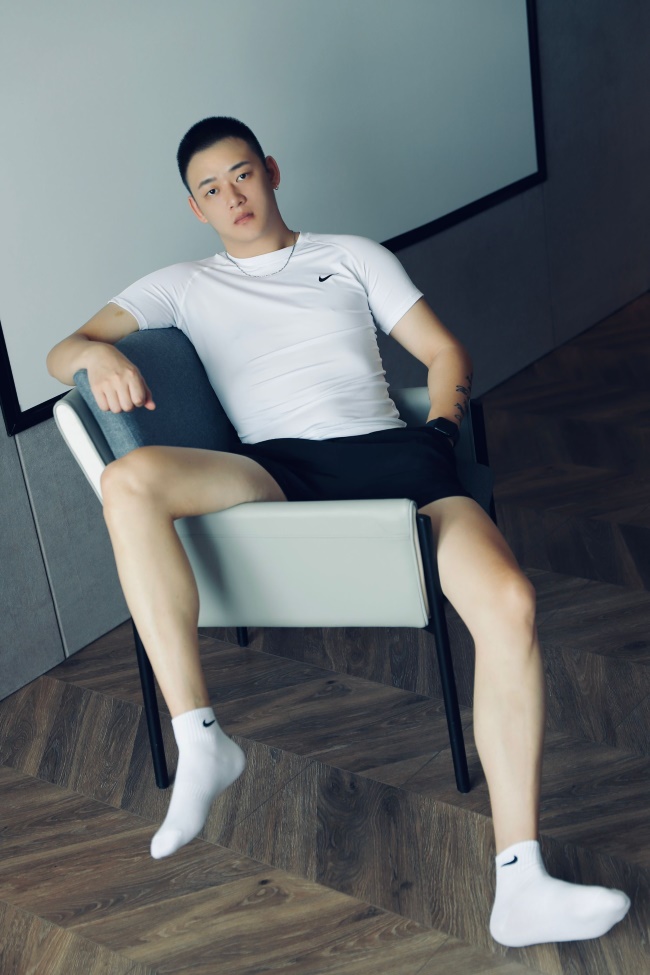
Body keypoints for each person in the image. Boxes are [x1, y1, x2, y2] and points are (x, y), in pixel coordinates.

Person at [47, 116, 631, 948]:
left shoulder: (350, 255)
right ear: (196, 207)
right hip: (277, 468)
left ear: (271, 171)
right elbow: (62, 349)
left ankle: (521, 880)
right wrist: (95, 356)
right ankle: (200, 736)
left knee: (511, 604)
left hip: (398, 457)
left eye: (242, 174)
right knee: (127, 479)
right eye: (211, 188)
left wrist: (441, 431)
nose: (232, 195)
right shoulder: (182, 284)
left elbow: (444, 353)